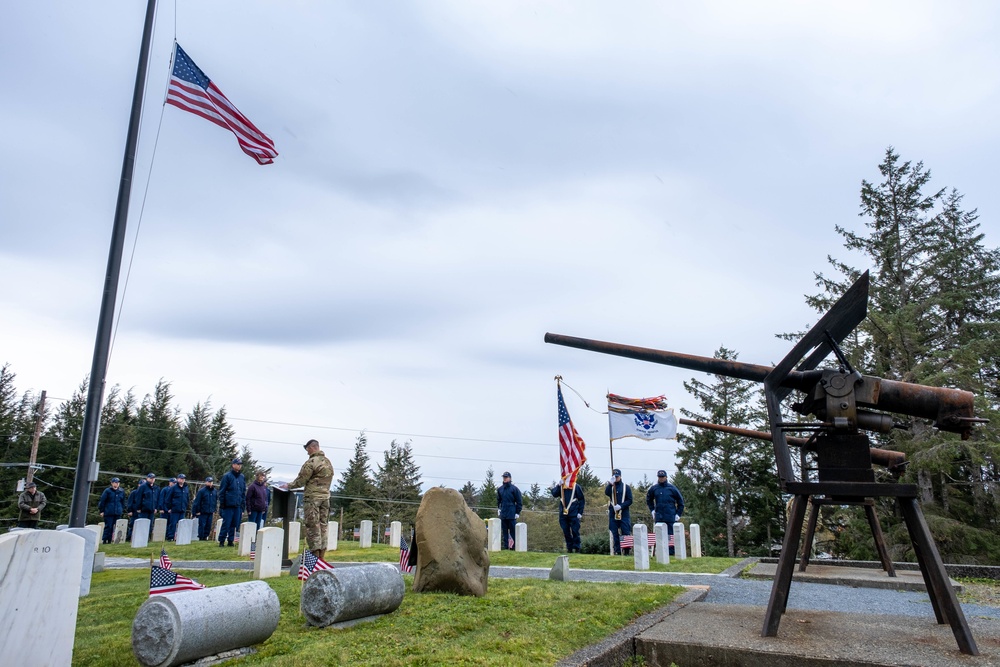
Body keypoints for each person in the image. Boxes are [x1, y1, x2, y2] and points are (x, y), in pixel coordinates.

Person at [282, 439, 334, 560]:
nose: (307, 452)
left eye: (307, 449)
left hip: (312, 499)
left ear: (311, 448)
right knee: (323, 526)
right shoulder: (328, 462)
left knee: (313, 526)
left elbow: (301, 480)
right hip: (325, 498)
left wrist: (288, 486)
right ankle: (322, 557)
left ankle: (314, 557)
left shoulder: (311, 462)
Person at [646, 469, 685, 555]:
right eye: (660, 477)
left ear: (666, 477)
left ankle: (671, 554)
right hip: (659, 515)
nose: (661, 479)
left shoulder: (672, 488)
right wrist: (652, 510)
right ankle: (660, 553)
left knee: (670, 536)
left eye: (663, 477)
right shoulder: (654, 488)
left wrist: (678, 514)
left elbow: (680, 502)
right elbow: (649, 500)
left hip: (670, 515)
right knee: (659, 535)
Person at [217, 459, 247, 547]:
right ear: (233, 465)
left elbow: (242, 492)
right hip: (228, 505)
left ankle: (231, 540)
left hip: (237, 505)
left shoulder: (242, 477)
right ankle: (221, 540)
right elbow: (222, 491)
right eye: (238, 464)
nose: (239, 466)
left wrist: (242, 506)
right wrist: (222, 504)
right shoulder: (227, 476)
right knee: (226, 523)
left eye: (240, 464)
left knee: (235, 524)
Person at [550, 482, 586, 553]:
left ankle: (577, 548)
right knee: (566, 532)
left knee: (575, 531)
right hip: (563, 514)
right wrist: (558, 485)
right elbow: (554, 494)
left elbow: (581, 499)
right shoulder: (561, 487)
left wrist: (580, 512)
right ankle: (569, 548)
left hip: (574, 513)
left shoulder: (576, 486)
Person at [604, 469, 633, 555]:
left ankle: (626, 551)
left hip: (624, 513)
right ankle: (617, 551)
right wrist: (610, 484)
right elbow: (606, 493)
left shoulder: (626, 487)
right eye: (614, 477)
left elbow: (630, 500)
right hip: (613, 513)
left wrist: (621, 506)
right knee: (614, 532)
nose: (616, 478)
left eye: (617, 476)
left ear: (620, 476)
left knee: (626, 532)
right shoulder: (611, 487)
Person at [496, 471, 522, 550]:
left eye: (506, 477)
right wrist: (499, 509)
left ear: (510, 478)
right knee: (504, 531)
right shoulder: (500, 489)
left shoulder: (514, 489)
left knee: (513, 531)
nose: (505, 478)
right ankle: (506, 546)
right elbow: (499, 500)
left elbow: (519, 501)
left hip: (511, 513)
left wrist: (517, 512)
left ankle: (513, 547)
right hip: (503, 513)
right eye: (504, 477)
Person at [97, 477, 126, 544]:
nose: (116, 484)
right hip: (109, 511)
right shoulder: (107, 491)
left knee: (116, 526)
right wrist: (102, 510)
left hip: (117, 512)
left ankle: (112, 540)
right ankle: (105, 539)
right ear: (112, 483)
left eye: (118, 483)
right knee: (108, 526)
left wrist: (122, 509)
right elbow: (102, 501)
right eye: (115, 482)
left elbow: (123, 501)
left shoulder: (121, 491)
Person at [192, 476, 218, 541]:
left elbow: (215, 501)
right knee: (202, 525)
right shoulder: (202, 491)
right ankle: (201, 537)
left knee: (208, 525)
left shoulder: (214, 491)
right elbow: (197, 502)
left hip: (210, 511)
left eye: (211, 482)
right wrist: (195, 512)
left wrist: (214, 509)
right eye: (208, 482)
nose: (210, 483)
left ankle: (206, 536)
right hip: (202, 511)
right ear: (206, 482)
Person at [165, 473, 190, 540]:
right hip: (174, 509)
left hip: (182, 509)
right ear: (178, 479)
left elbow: (187, 498)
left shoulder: (186, 488)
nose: (182, 480)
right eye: (181, 478)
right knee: (173, 524)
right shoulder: (173, 488)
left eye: (183, 479)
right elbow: (168, 499)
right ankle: (170, 537)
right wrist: (169, 508)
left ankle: (179, 537)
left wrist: (185, 506)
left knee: (181, 525)